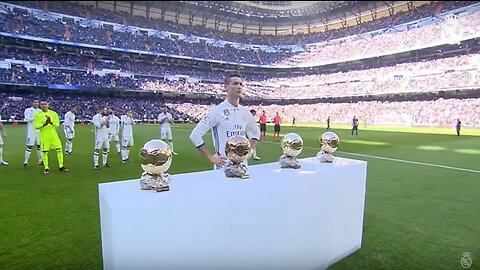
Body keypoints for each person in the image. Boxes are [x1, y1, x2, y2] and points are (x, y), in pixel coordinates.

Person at [189, 74, 260, 170]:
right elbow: (195, 135)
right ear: (226, 87)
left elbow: (256, 132)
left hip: (243, 166)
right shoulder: (217, 111)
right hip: (224, 167)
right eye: (235, 83)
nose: (239, 86)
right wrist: (211, 157)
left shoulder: (245, 112)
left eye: (241, 84)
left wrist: (248, 150)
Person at [34, 101, 69, 174]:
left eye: (45, 104)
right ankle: (46, 167)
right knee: (44, 152)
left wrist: (51, 122)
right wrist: (44, 124)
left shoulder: (53, 113)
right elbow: (36, 126)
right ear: (40, 106)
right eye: (42, 104)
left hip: (53, 135)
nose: (44, 105)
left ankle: (61, 166)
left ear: (48, 105)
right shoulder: (38, 115)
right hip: (44, 136)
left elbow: (57, 124)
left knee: (59, 150)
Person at [23, 100, 43, 167]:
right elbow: (26, 119)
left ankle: (40, 161)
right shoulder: (28, 110)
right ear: (32, 103)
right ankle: (25, 162)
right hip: (31, 131)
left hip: (39, 131)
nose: (36, 103)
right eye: (35, 102)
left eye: (37, 102)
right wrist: (34, 117)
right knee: (29, 146)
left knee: (39, 146)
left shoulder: (40, 111)